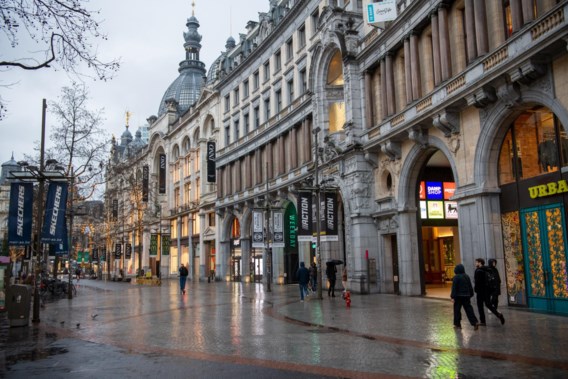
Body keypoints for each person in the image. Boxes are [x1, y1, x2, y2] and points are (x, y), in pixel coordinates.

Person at [474, 258, 505, 326]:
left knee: (480, 306)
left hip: (480, 292)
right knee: (489, 304)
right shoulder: (487, 269)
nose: (475, 263)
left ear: (480, 263)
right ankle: (498, 314)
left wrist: (476, 289)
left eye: (476, 262)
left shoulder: (478, 270)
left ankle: (483, 321)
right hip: (487, 291)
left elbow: (477, 282)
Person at [450, 263, 479, 330]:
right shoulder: (466, 276)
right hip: (466, 296)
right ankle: (474, 322)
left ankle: (458, 324)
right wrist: (471, 294)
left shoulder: (456, 277)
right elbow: (470, 286)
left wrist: (452, 297)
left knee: (457, 310)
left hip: (458, 297)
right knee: (469, 309)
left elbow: (454, 288)